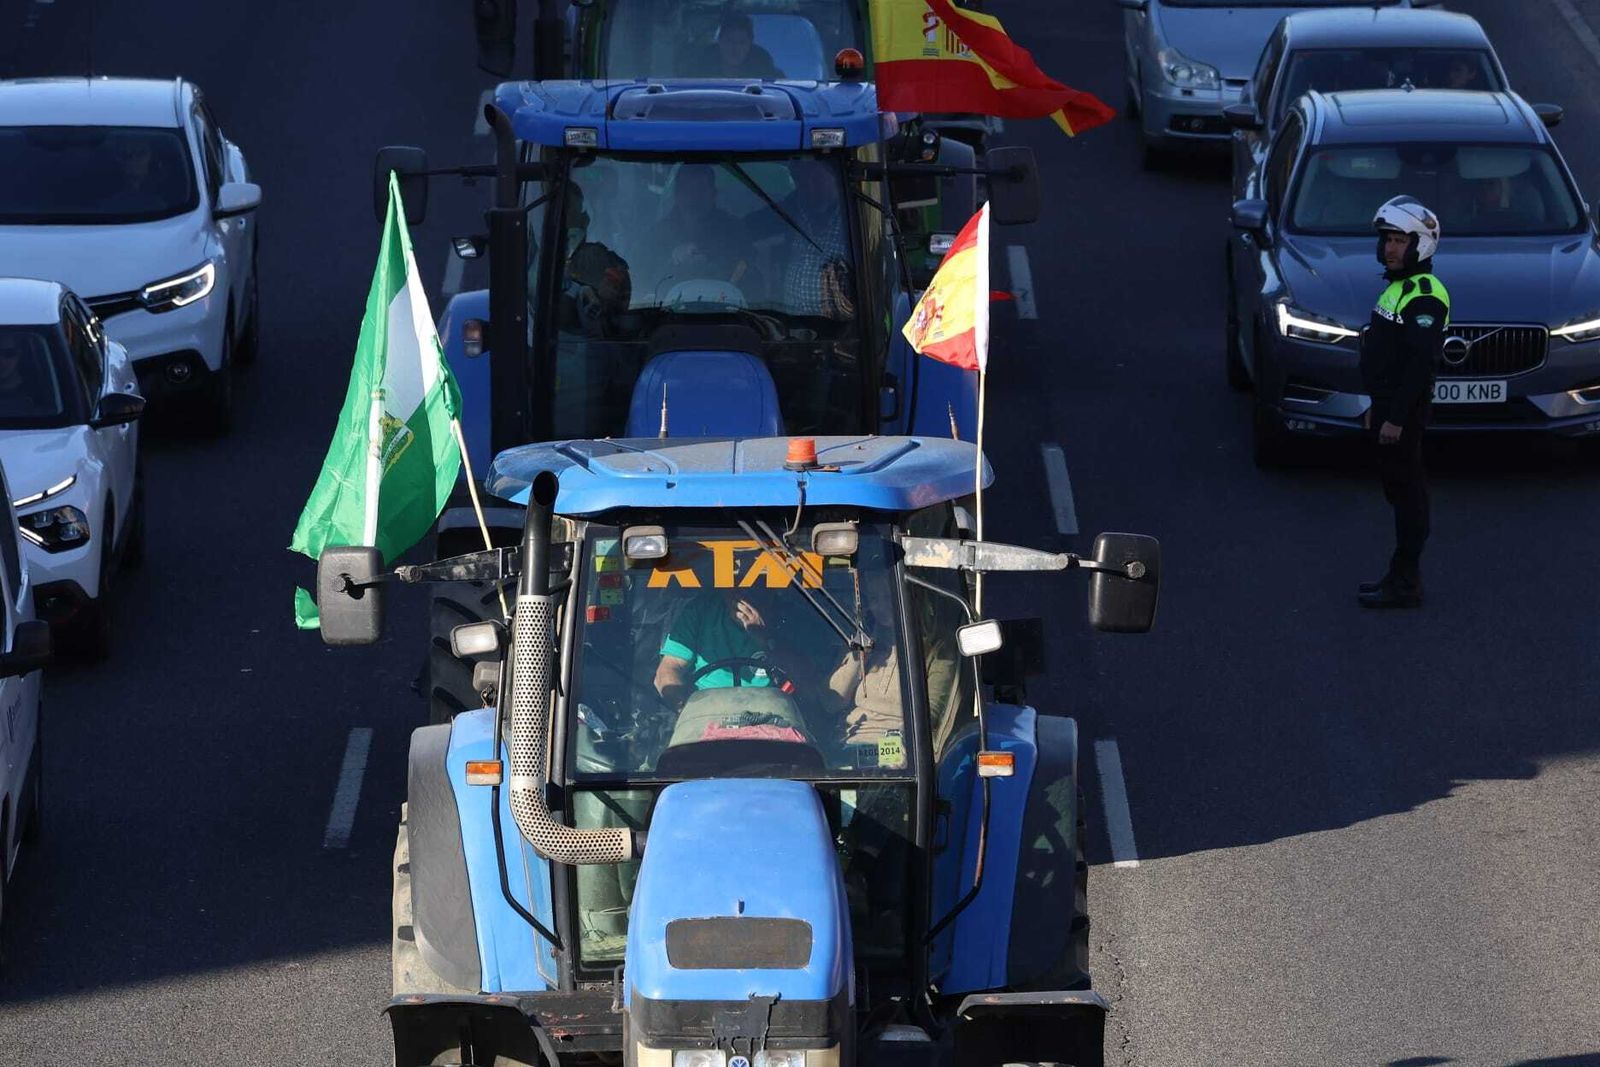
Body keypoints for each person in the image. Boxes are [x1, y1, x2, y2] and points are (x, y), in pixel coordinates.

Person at [1358, 195, 1450, 610]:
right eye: (1388, 240)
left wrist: (1395, 418)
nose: (1391, 248)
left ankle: (1405, 583)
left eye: (1400, 240)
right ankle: (1397, 577)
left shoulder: (1425, 295)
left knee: (1409, 495)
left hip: (1404, 414)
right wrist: (1377, 407)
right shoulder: (1399, 288)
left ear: (1421, 245)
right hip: (1388, 408)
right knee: (1397, 490)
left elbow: (1418, 365)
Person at [654, 588, 780, 707]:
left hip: (770, 712)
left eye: (754, 581)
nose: (744, 588)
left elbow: (798, 677)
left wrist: (763, 638)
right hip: (707, 712)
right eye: (735, 579)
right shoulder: (701, 609)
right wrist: (687, 711)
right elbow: (668, 670)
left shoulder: (786, 611)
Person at [692, 12, 783, 79]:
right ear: (719, 41)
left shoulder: (769, 77)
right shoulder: (696, 74)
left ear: (750, 45)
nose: (735, 48)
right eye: (729, 41)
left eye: (742, 42)